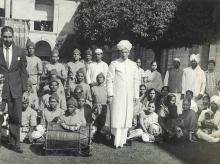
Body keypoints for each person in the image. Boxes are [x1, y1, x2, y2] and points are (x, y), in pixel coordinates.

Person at [106, 40, 140, 148]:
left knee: (126, 117)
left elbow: (136, 80)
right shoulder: (114, 63)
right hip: (118, 95)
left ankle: (123, 141)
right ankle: (115, 140)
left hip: (129, 95)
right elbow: (109, 80)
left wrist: (136, 95)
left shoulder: (133, 65)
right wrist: (110, 94)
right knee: (118, 116)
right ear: (119, 52)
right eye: (122, 52)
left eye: (126, 52)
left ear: (129, 52)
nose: (124, 54)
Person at [0, 26, 28, 153]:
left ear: (13, 37)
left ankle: (15, 143)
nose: (7, 39)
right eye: (5, 36)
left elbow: (23, 72)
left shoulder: (20, 51)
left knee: (15, 117)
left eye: (9, 36)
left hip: (16, 89)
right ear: (1, 37)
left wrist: (25, 90)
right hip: (1, 89)